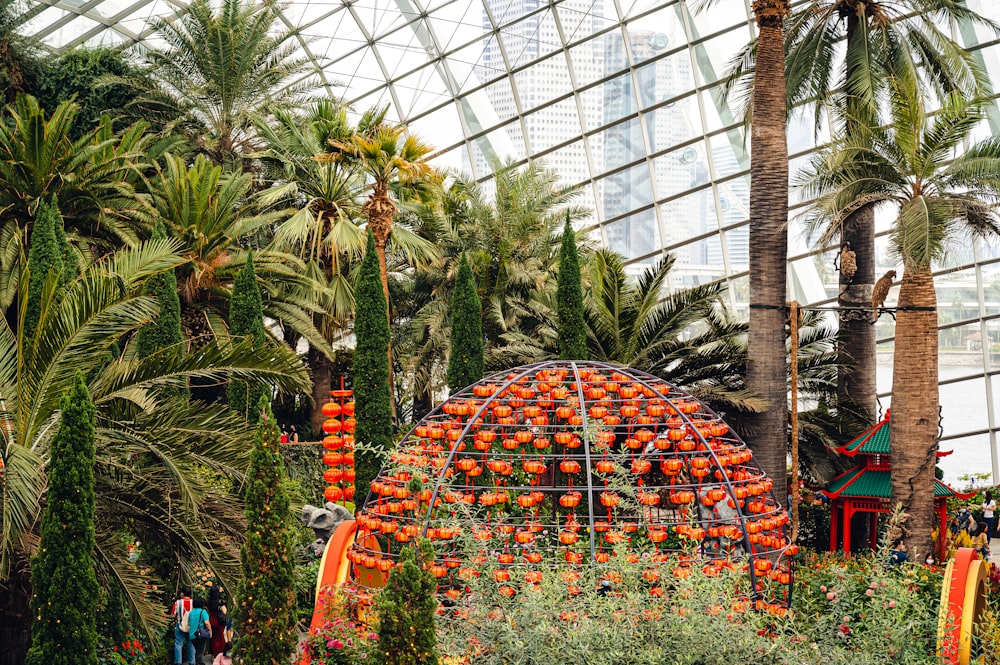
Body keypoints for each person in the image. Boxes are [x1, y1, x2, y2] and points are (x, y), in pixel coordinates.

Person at [173, 587, 194, 665]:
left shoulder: (178, 603)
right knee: (191, 644)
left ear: (182, 593)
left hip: (180, 625)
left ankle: (178, 662)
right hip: (191, 626)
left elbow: (173, 615)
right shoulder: (193, 602)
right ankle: (192, 662)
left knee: (178, 644)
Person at [189, 597, 212, 664]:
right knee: (200, 651)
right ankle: (199, 663)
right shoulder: (203, 612)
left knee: (198, 650)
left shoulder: (191, 613)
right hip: (201, 635)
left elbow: (189, 623)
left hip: (192, 635)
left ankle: (198, 662)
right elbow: (207, 623)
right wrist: (210, 631)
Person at [207, 586, 228, 658]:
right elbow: (225, 612)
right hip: (219, 622)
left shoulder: (208, 601)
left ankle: (214, 654)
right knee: (221, 638)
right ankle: (220, 654)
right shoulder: (220, 601)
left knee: (213, 638)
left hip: (211, 621)